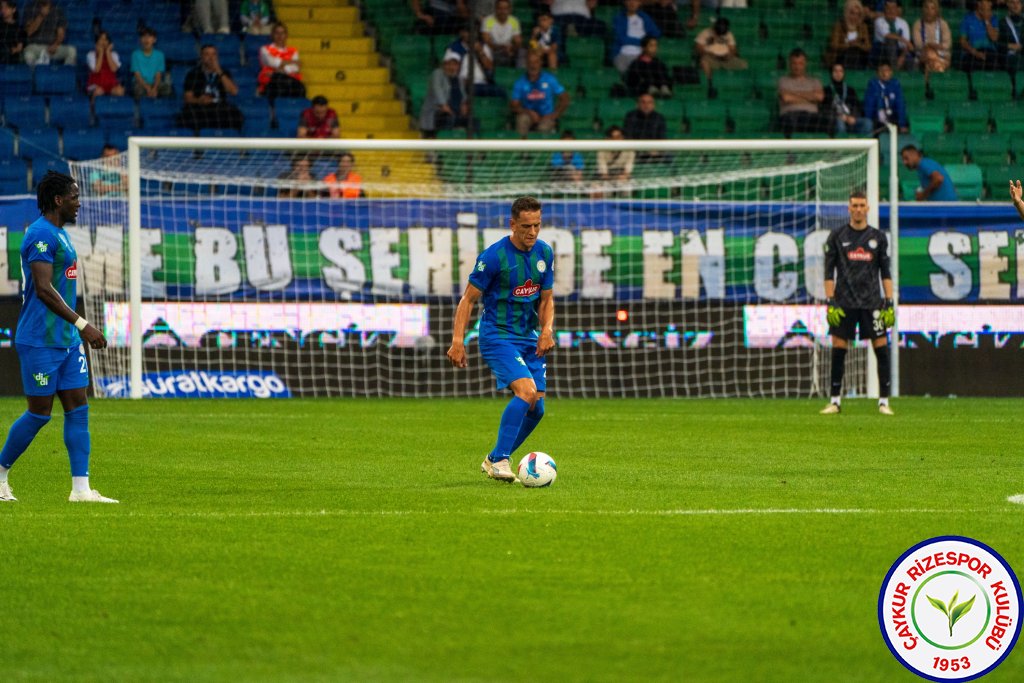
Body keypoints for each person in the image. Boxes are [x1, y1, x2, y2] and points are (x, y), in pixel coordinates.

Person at [0, 171, 117, 504]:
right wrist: (84, 324)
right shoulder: (39, 235)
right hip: (40, 339)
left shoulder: (60, 234)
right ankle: (0, 474)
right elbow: (44, 290)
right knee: (39, 413)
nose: (78, 203)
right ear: (58, 200)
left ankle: (81, 490)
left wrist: (75, 330)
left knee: (78, 408)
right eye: (75, 197)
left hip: (66, 340)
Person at [447, 196, 555, 483]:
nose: (532, 232)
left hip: (529, 338)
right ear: (512, 224)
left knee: (538, 408)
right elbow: (468, 299)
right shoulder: (493, 257)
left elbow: (547, 299)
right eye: (526, 226)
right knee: (526, 393)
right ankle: (502, 460)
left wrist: (547, 330)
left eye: (537, 225)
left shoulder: (544, 252)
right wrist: (458, 340)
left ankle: (494, 458)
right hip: (498, 335)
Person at [820, 190, 894, 416]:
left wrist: (889, 302)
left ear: (868, 208)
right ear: (849, 208)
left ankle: (884, 402)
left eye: (862, 205)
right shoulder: (837, 235)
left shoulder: (878, 237)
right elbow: (828, 272)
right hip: (843, 302)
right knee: (839, 351)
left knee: (881, 350)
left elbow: (886, 272)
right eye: (855, 205)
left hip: (872, 302)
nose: (859, 209)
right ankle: (835, 401)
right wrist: (830, 301)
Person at [176, 44, 244, 131]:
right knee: (188, 116)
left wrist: (219, 71)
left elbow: (234, 91)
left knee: (237, 116)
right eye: (207, 54)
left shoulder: (224, 72)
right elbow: (187, 98)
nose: (211, 57)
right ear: (201, 57)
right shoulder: (193, 73)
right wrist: (199, 100)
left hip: (219, 107)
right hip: (200, 107)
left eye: (213, 54)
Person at [510, 51, 570, 137]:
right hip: (529, 115)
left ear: (541, 63)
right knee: (522, 120)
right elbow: (514, 105)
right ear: (526, 64)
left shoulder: (550, 79)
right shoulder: (520, 82)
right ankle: (523, 149)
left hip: (547, 116)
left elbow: (565, 98)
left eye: (536, 62)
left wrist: (554, 115)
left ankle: (540, 150)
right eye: (530, 62)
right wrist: (529, 112)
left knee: (543, 128)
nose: (533, 65)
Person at [693, 16, 747, 98]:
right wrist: (709, 53)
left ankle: (739, 87)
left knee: (743, 64)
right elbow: (698, 48)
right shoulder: (706, 32)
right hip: (710, 57)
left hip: (725, 58)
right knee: (704, 61)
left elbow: (733, 49)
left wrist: (730, 55)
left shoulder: (729, 34)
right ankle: (710, 85)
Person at [777, 48, 826, 136]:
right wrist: (810, 97)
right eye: (794, 63)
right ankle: (790, 149)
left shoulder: (814, 81)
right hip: (790, 116)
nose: (797, 67)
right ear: (790, 64)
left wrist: (794, 94)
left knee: (826, 120)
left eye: (800, 63)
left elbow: (819, 97)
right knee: (788, 121)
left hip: (811, 116)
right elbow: (786, 98)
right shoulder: (783, 80)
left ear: (805, 64)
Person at [420, 52, 472, 134]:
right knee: (447, 118)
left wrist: (464, 103)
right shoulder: (437, 74)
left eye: (455, 65)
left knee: (472, 121)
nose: (452, 68)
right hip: (437, 112)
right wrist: (443, 105)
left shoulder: (459, 78)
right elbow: (437, 90)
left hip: (455, 110)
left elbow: (462, 93)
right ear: (444, 65)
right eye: (449, 64)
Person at [258, 22, 306, 103]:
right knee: (278, 81)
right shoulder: (265, 49)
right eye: (277, 33)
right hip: (272, 83)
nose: (280, 36)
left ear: (286, 35)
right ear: (272, 35)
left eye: (282, 33)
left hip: (290, 83)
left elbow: (295, 68)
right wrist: (291, 62)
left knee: (301, 88)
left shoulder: (293, 51)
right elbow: (272, 62)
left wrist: (277, 70)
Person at [610, 0, 661, 74]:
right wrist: (642, 42)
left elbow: (656, 33)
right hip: (623, 55)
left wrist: (646, 43)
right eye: (629, 0)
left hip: (643, 56)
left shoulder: (644, 17)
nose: (632, 3)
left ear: (639, 3)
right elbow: (621, 39)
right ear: (625, 2)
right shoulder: (618, 18)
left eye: (635, 0)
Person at [21, 0, 75, 66]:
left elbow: (61, 33)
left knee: (72, 51)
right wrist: (41, 16)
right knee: (28, 53)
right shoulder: (30, 8)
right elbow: (28, 32)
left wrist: (55, 45)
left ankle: (64, 75)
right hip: (35, 47)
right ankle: (35, 75)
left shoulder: (58, 10)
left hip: (52, 47)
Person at [827, 63, 873, 136]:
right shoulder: (827, 90)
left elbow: (857, 106)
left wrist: (853, 117)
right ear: (831, 73)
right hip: (836, 120)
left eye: (840, 71)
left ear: (844, 73)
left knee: (867, 122)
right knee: (840, 123)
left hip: (851, 119)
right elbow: (825, 109)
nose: (838, 74)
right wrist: (839, 116)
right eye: (835, 71)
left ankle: (863, 147)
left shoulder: (850, 90)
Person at [863, 60, 908, 133]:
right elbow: (869, 106)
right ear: (877, 73)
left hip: (892, 119)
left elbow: (900, 105)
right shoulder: (872, 85)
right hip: (877, 122)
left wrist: (902, 124)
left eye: (887, 70)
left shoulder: (895, 85)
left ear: (891, 72)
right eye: (881, 70)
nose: (884, 73)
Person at [826, 0, 872, 70]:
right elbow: (833, 45)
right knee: (851, 52)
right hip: (841, 56)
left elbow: (868, 47)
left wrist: (857, 44)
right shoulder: (838, 26)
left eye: (858, 14)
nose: (855, 17)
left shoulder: (863, 27)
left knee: (855, 52)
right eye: (852, 13)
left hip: (859, 57)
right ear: (846, 13)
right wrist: (848, 45)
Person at [623, 92, 667, 163]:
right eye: (643, 102)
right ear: (638, 104)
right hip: (635, 151)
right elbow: (628, 135)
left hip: (654, 151)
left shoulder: (659, 118)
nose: (646, 105)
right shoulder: (631, 116)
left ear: (653, 105)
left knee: (669, 154)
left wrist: (656, 149)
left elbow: (662, 136)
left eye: (649, 102)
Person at [911, 0, 951, 77]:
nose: (929, 11)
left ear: (937, 10)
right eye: (927, 8)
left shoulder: (943, 24)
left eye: (932, 8)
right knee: (930, 56)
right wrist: (931, 48)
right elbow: (918, 44)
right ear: (923, 9)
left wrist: (932, 46)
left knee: (934, 62)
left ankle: (929, 81)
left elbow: (947, 45)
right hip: (923, 55)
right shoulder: (918, 24)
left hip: (941, 55)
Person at [131, 27, 172, 99]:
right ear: (140, 40)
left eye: (149, 36)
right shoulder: (135, 54)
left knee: (167, 89)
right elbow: (137, 75)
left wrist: (154, 88)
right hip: (141, 84)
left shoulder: (160, 55)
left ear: (154, 40)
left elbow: (158, 74)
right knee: (138, 90)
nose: (146, 39)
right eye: (144, 36)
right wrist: (148, 88)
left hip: (155, 83)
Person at [960, 0, 1000, 72]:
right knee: (969, 64)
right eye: (987, 1)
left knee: (994, 63)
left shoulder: (994, 19)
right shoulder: (968, 18)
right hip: (972, 51)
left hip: (989, 52)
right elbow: (963, 42)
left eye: (990, 2)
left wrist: (987, 20)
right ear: (979, 3)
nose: (990, 4)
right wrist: (976, 53)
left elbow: (994, 38)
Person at [872, 0, 913, 71]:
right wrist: (903, 40)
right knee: (890, 41)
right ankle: (894, 69)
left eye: (893, 8)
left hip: (899, 51)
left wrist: (902, 57)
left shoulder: (903, 23)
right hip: (882, 51)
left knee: (909, 59)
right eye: (888, 8)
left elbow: (906, 45)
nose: (891, 11)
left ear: (897, 10)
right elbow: (887, 35)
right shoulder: (879, 21)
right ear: (884, 9)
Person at [481, 0, 521, 68]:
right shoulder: (487, 20)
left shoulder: (514, 21)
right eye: (500, 8)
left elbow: (518, 40)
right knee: (485, 48)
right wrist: (499, 48)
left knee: (521, 52)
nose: (502, 11)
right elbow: (486, 40)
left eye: (505, 9)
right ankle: (490, 73)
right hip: (492, 48)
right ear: (495, 9)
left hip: (508, 49)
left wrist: (512, 48)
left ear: (509, 10)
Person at [86, 31, 125, 101]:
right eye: (101, 39)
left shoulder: (114, 54)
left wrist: (107, 52)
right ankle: (92, 109)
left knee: (120, 91)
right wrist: (101, 53)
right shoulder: (91, 54)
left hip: (110, 84)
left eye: (105, 39)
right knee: (98, 91)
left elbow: (114, 69)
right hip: (95, 84)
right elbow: (96, 69)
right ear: (96, 42)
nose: (103, 42)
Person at [999, 0, 1024, 95]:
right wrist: (1009, 46)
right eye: (1012, 3)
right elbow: (997, 44)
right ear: (1008, 4)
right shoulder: (1002, 23)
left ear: (1022, 5)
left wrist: (1021, 48)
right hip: (1009, 57)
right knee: (1015, 61)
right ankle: (1016, 93)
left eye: (1018, 3)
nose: (1015, 5)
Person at [0, 0, 25, 65]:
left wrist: (11, 50)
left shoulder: (18, 27)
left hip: (9, 55)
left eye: (6, 8)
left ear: (13, 9)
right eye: (1, 8)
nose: (3, 10)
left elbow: (19, 48)